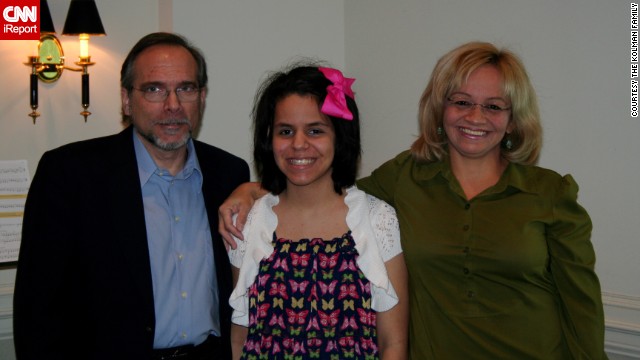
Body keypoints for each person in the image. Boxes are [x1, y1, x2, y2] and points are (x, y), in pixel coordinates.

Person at [219, 42, 608, 359]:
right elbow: (322, 186)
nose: (476, 116)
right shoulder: (404, 179)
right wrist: (251, 191)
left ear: (513, 118)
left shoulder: (550, 193)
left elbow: (582, 309)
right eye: (461, 102)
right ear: (440, 110)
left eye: (493, 106)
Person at [13, 32, 249, 360]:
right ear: (126, 99)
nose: (173, 105)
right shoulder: (70, 174)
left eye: (186, 88)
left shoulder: (230, 174)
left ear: (202, 97)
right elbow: (36, 308)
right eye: (154, 89)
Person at [227, 64, 408, 359]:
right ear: (268, 139)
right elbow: (240, 339)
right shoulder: (247, 222)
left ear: (340, 137)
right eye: (286, 131)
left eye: (315, 130)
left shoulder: (378, 219)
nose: (299, 144)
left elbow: (394, 343)